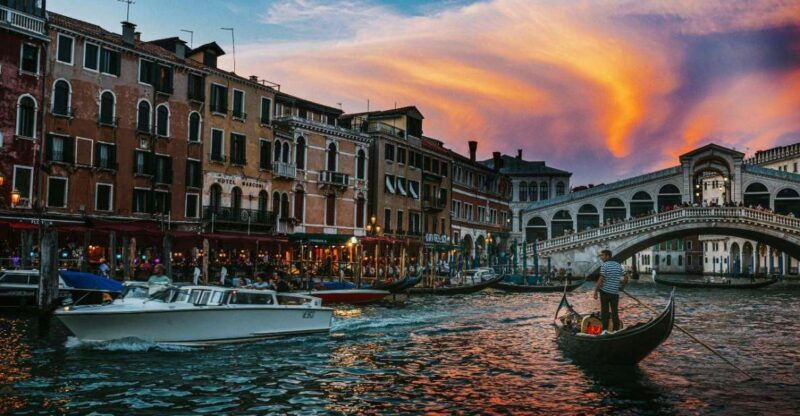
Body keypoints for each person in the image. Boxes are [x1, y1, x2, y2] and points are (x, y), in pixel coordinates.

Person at [593, 249, 627, 333]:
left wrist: (595, 291)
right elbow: (626, 278)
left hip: (604, 292)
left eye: (602, 255)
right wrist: (622, 287)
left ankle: (604, 330)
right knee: (615, 312)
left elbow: (601, 279)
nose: (601, 257)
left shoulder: (604, 265)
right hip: (615, 293)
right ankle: (616, 330)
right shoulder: (619, 265)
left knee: (605, 312)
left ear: (607, 256)